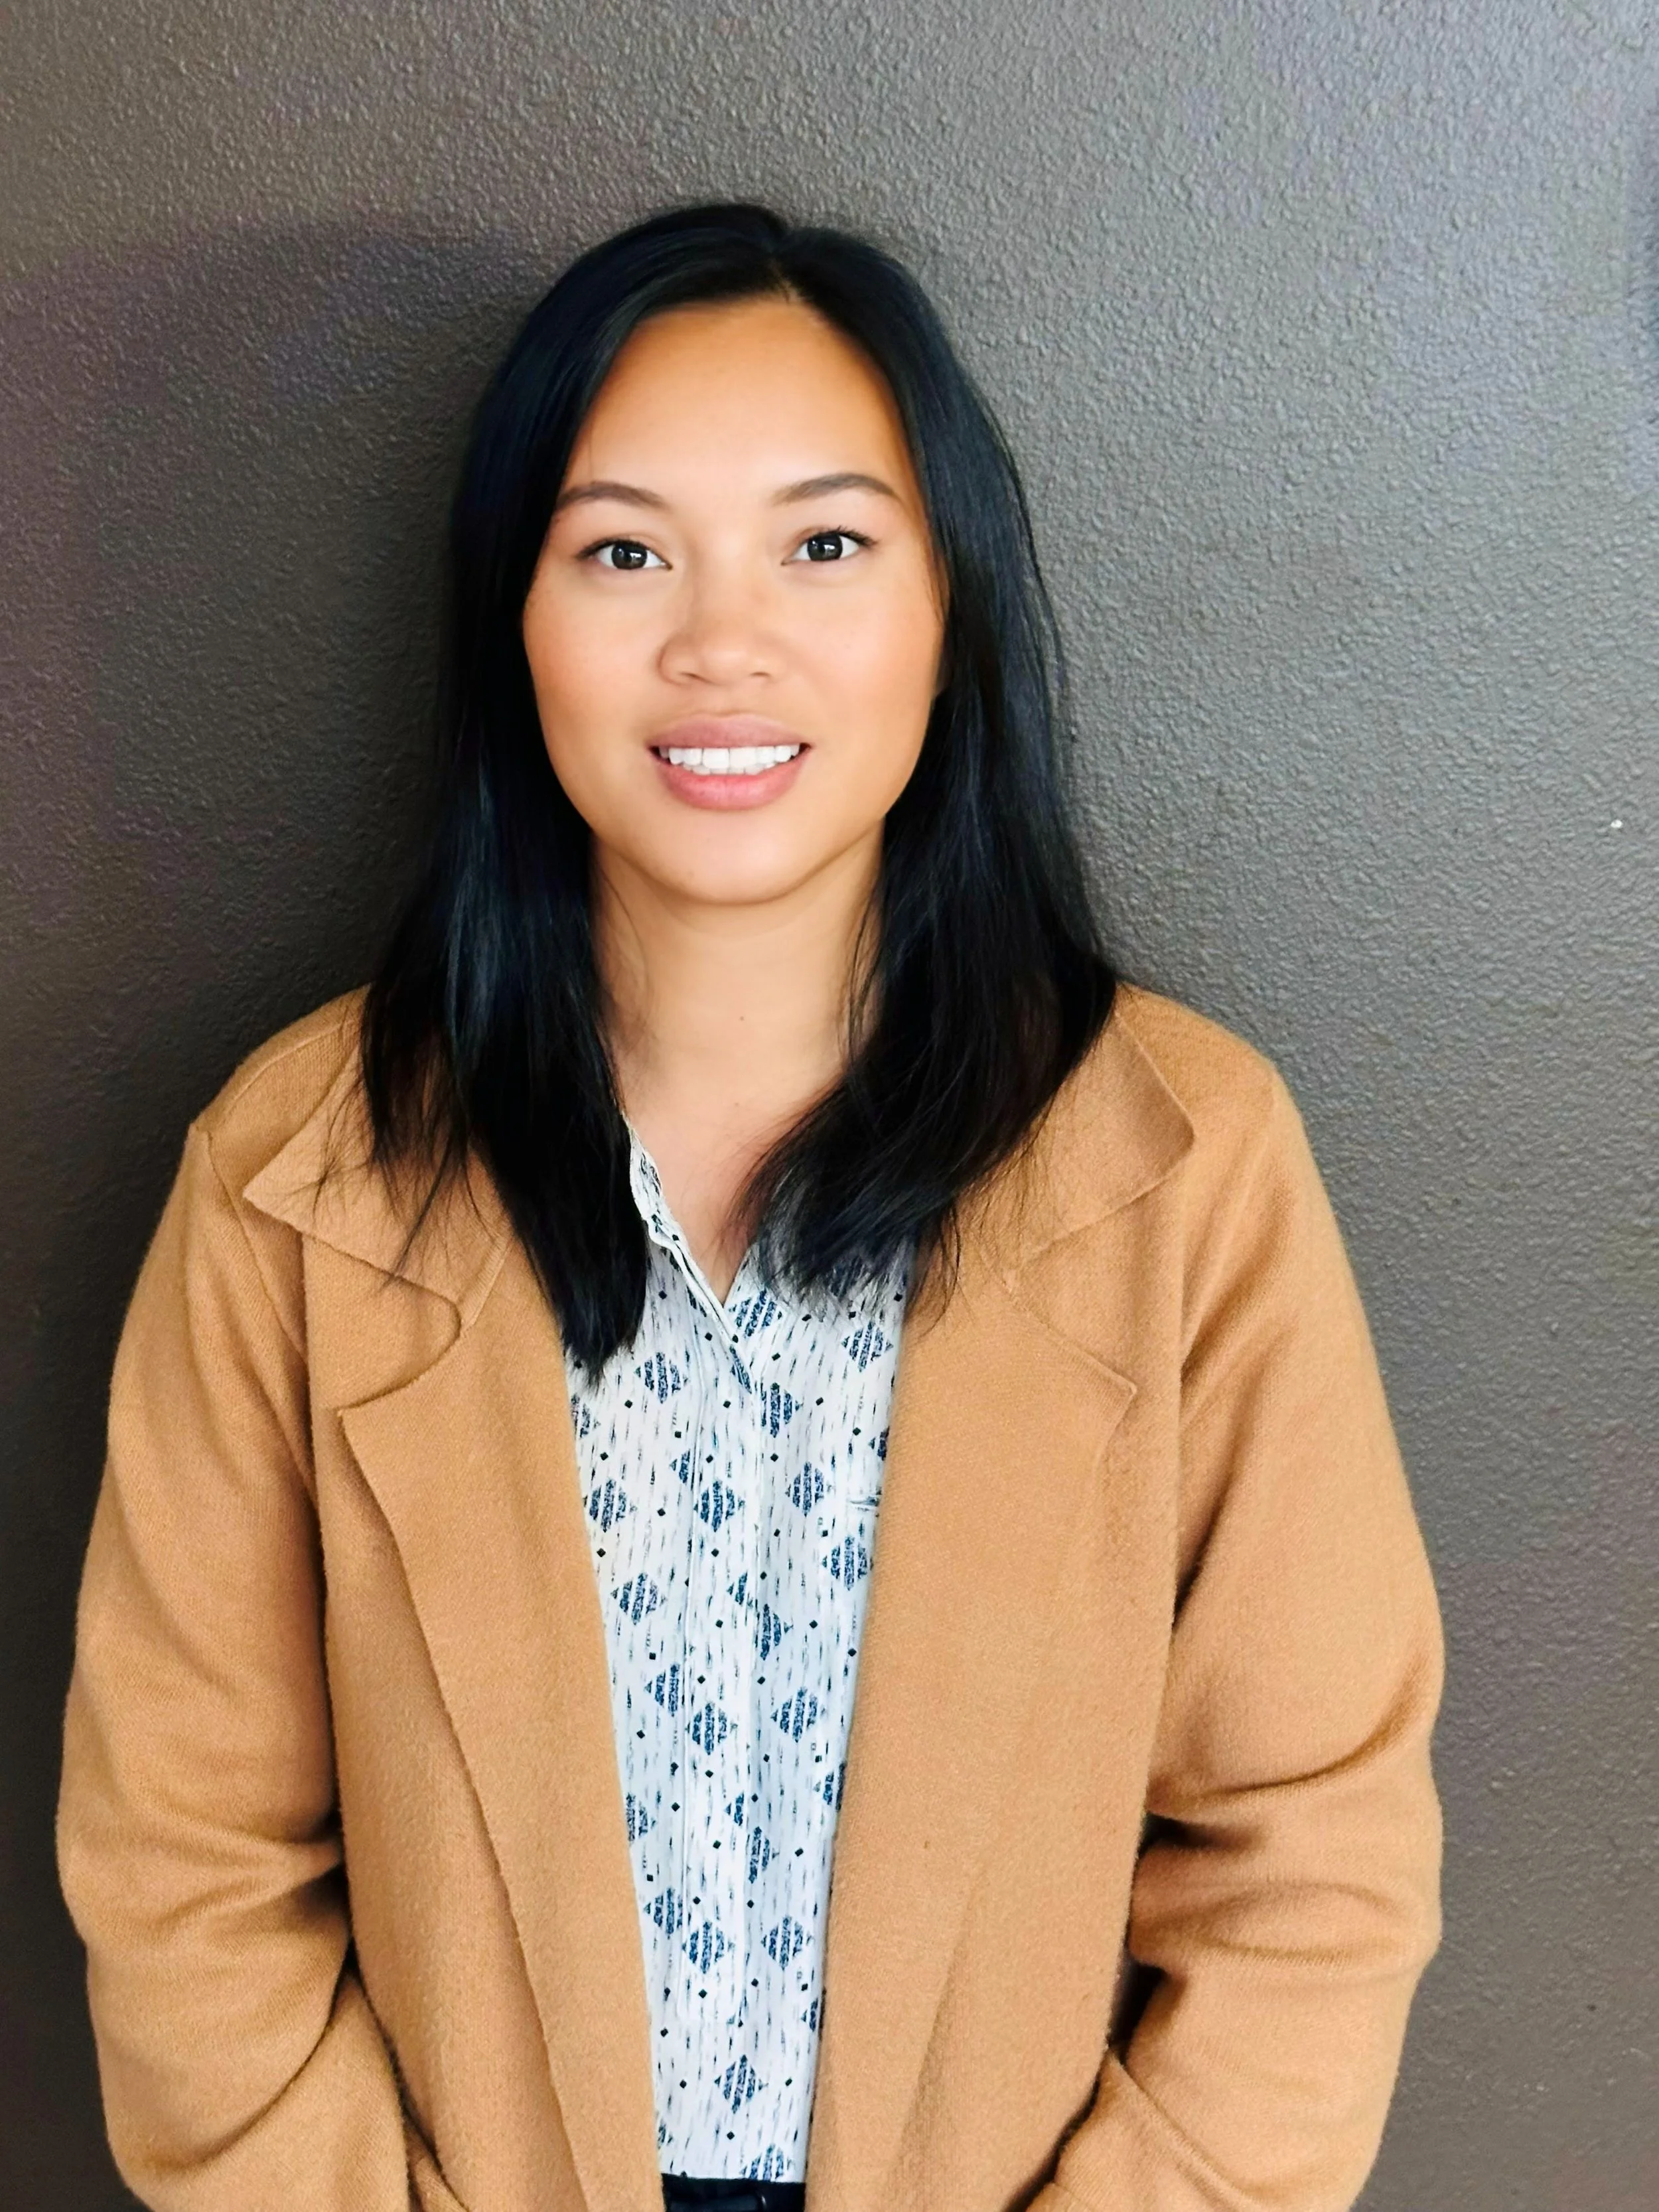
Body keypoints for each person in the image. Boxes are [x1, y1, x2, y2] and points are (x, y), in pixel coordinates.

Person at [57, 203, 1443, 2212]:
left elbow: (1309, 1854)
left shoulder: (1181, 1161)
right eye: (622, 549)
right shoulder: (297, 1177)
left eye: (824, 544)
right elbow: (182, 1859)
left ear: (945, 604)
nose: (723, 641)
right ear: (509, 616)